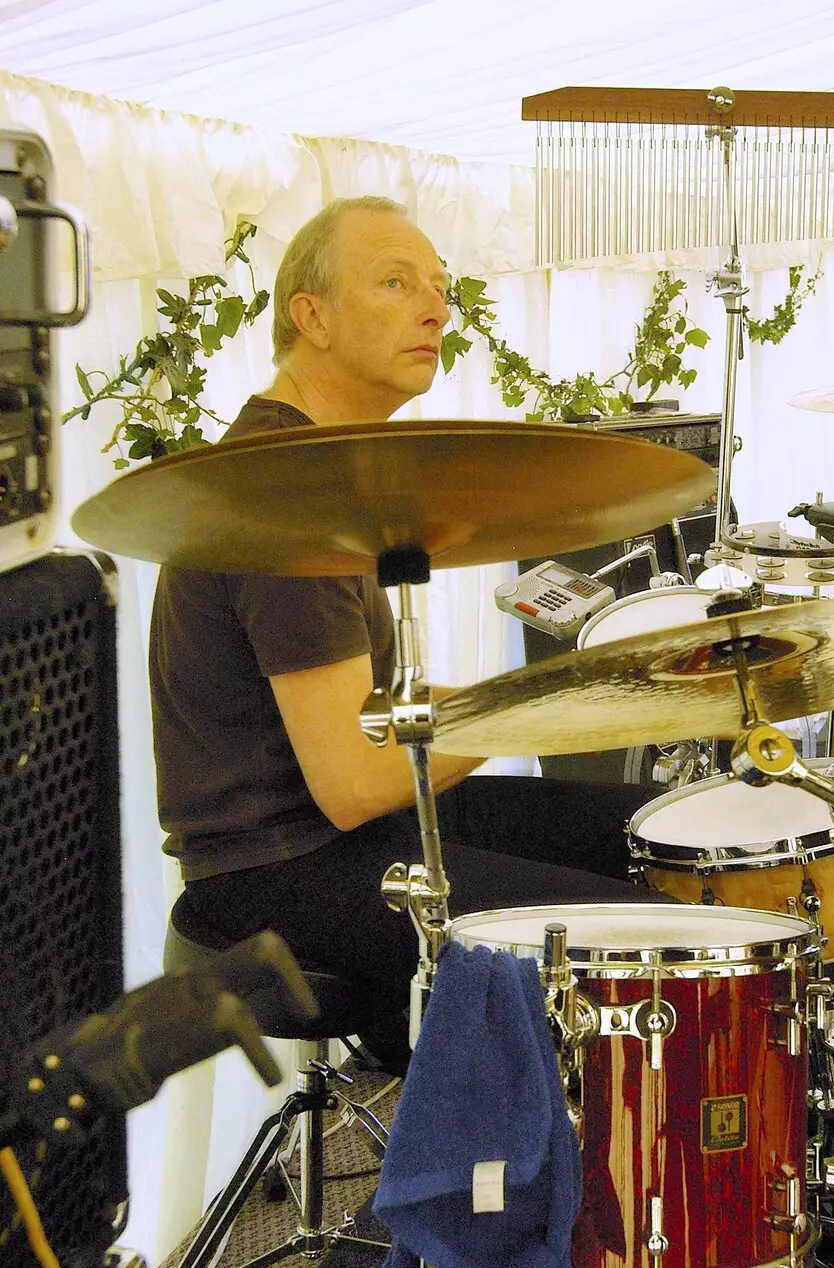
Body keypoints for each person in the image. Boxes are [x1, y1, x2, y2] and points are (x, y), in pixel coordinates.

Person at [149, 195, 662, 1067]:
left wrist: (568, 693)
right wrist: (539, 709)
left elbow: (375, 721)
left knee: (655, 834)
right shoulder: (286, 496)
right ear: (310, 316)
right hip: (277, 871)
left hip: (332, 839)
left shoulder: (314, 465)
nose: (435, 308)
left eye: (440, 287)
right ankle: (572, 1182)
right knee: (650, 940)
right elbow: (353, 782)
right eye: (395, 282)